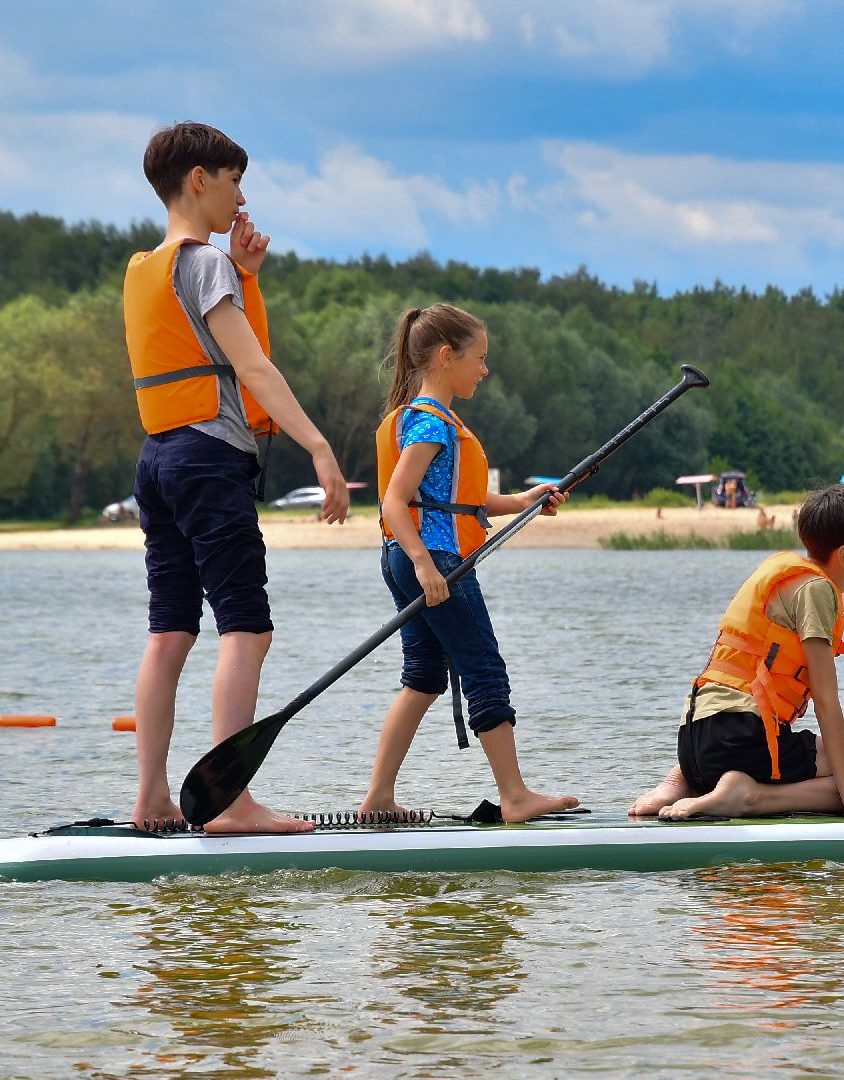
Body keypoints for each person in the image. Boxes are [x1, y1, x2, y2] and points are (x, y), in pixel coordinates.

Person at [124, 122, 349, 834]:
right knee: (245, 629)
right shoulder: (206, 264)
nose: (240, 196)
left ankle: (153, 800)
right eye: (232, 180)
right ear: (199, 179)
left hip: (157, 460)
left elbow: (204, 341)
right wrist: (319, 447)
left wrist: (248, 276)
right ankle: (229, 803)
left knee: (168, 633)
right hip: (207, 460)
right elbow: (251, 367)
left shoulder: (147, 267)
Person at [359, 303, 579, 823]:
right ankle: (516, 797)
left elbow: (463, 501)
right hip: (432, 562)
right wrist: (425, 566)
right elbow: (395, 501)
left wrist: (525, 499)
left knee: (424, 677)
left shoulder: (429, 419)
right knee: (482, 666)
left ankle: (378, 800)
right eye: (478, 358)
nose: (484, 369)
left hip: (409, 557)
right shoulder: (431, 425)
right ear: (444, 356)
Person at [628, 484, 844, 839]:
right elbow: (826, 700)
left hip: (695, 743)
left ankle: (681, 782)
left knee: (838, 765)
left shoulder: (784, 574)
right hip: (744, 740)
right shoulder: (817, 590)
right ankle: (750, 797)